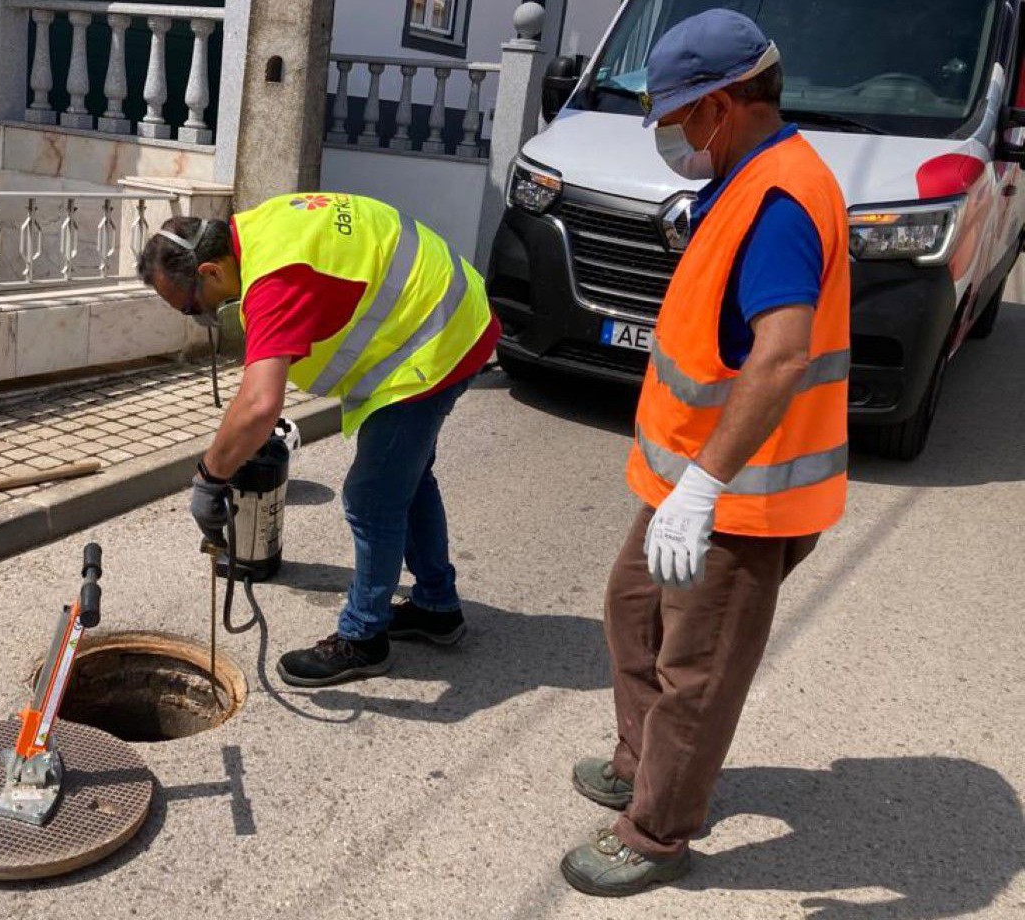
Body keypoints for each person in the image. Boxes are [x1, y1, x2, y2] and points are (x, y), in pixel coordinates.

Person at [559, 9, 851, 896]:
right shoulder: (745, 176)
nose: (668, 136)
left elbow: (783, 354)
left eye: (675, 117)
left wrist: (703, 489)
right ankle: (640, 762)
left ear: (721, 106)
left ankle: (657, 832)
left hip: (740, 496)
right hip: (689, 476)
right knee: (632, 612)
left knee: (697, 668)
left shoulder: (781, 201)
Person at [136, 194, 500, 687]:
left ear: (211, 271)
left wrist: (209, 478)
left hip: (437, 340)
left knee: (372, 497)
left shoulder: (274, 281)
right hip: (450, 312)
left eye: (189, 305)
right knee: (406, 480)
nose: (198, 314)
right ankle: (437, 607)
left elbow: (260, 405)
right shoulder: (259, 229)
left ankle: (364, 638)